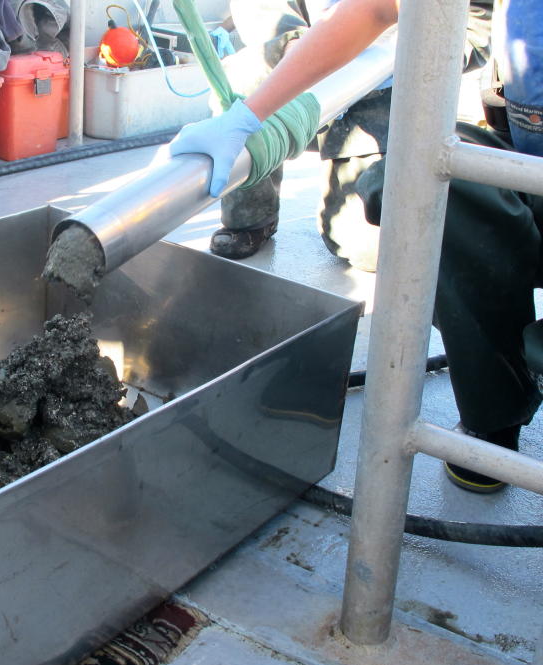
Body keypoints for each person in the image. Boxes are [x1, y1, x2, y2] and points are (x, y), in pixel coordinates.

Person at [170, 0, 542, 492]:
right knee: (416, 180)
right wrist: (247, 116)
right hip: (523, 160)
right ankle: (494, 413)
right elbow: (376, 7)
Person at [202, 0, 491, 271]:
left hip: (386, 85)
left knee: (370, 246)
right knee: (242, 76)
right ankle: (252, 216)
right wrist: (293, 44)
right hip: (297, 55)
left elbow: (475, 21)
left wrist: (382, 61)